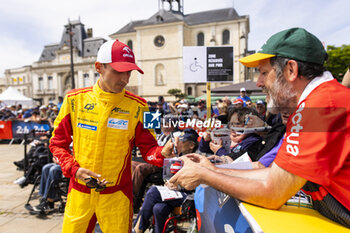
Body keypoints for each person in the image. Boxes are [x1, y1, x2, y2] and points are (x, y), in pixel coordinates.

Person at [170, 28, 350, 227]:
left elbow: (273, 191)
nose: (259, 82)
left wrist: (206, 176)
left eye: (264, 73)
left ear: (291, 70)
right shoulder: (321, 101)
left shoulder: (320, 106)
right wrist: (213, 169)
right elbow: (274, 173)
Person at [49, 39, 173, 232]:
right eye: (118, 71)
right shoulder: (73, 100)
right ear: (99, 67)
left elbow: (150, 150)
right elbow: (56, 144)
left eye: (129, 72)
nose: (125, 78)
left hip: (118, 196)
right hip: (79, 192)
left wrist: (163, 153)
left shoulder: (143, 106)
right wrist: (73, 170)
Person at [134, 128, 199, 233]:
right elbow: (167, 176)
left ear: (191, 145)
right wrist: (169, 183)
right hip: (175, 194)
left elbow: (196, 184)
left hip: (190, 196)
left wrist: (178, 186)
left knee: (153, 192)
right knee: (158, 208)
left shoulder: (197, 159)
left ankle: (138, 229)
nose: (178, 144)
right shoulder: (177, 157)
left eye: (182, 142)